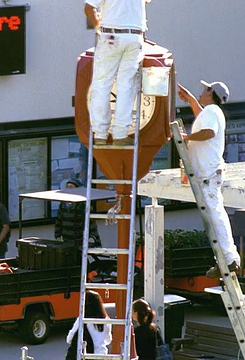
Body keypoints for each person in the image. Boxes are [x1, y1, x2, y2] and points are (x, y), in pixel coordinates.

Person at [176, 80, 241, 278]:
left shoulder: (212, 112)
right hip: (207, 174)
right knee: (212, 217)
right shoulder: (210, 112)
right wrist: (191, 100)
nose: (201, 91)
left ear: (211, 92)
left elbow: (209, 132)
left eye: (205, 89)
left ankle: (230, 259)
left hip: (209, 175)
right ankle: (223, 260)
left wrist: (185, 138)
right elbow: (202, 119)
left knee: (215, 215)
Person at [84, 0, 151, 146]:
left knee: (102, 83)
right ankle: (120, 134)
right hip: (135, 36)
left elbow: (89, 8)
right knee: (126, 84)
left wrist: (97, 26)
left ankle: (100, 133)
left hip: (111, 35)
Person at [55, 178, 101, 247]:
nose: (69, 189)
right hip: (66, 238)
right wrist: (57, 235)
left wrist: (94, 238)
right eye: (67, 187)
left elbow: (91, 223)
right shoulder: (63, 204)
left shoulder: (84, 205)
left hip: (80, 239)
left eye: (71, 187)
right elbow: (59, 220)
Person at [66, 290, 112, 359]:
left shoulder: (82, 320)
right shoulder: (106, 320)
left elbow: (69, 339)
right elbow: (108, 340)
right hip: (102, 355)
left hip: (86, 356)